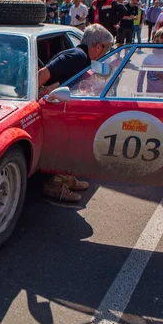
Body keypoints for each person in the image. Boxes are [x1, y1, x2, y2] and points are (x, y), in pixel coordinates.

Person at [39, 24, 114, 202]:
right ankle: (56, 186)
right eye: (108, 48)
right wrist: (39, 95)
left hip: (66, 110)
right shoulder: (77, 56)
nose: (107, 53)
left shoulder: (84, 59)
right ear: (98, 47)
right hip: (55, 111)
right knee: (66, 148)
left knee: (72, 147)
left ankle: (66, 178)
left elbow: (63, 80)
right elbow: (43, 73)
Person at [136, 27, 163, 94]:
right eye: (157, 41)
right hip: (150, 94)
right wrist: (139, 93)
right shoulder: (148, 59)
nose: (159, 45)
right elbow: (140, 78)